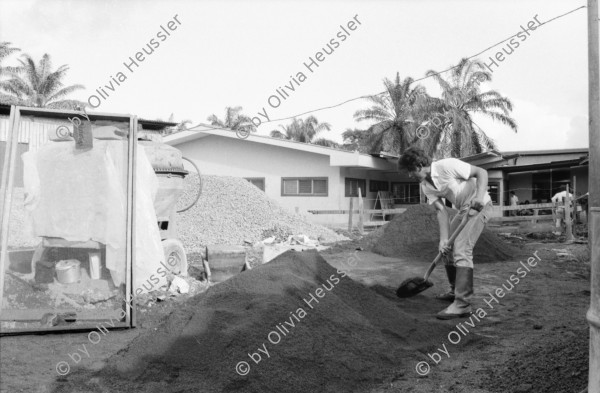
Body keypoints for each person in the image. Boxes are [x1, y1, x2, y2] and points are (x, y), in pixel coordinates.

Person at [398, 147, 493, 320]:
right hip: (463, 210)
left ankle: (463, 304)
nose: (409, 175)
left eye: (410, 171)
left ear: (419, 165)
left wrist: (478, 197)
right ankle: (454, 290)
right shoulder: (425, 186)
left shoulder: (446, 166)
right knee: (447, 251)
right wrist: (443, 240)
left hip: (480, 205)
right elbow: (441, 211)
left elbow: (481, 172)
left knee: (462, 249)